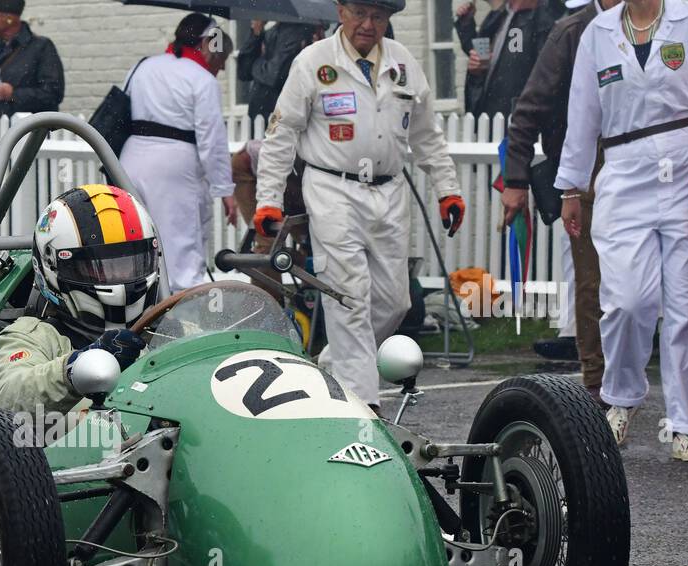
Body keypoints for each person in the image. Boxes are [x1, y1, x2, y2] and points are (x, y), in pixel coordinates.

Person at [253, 0, 464, 411]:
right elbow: (282, 135)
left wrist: (448, 189)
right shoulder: (312, 63)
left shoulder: (403, 64)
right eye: (360, 14)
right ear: (340, 11)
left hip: (389, 192)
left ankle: (330, 369)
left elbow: (427, 136)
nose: (368, 25)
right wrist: (268, 201)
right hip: (333, 190)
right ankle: (362, 407)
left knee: (394, 302)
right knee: (348, 297)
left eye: (379, 16)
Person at [556, 0, 688, 462]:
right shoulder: (599, 32)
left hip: (687, 165)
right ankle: (621, 398)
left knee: (687, 307)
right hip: (624, 172)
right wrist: (571, 186)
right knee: (628, 302)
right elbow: (582, 113)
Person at [501, 0, 615, 400]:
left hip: (646, 160)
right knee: (591, 280)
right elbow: (529, 109)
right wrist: (515, 179)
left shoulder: (664, 21)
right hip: (585, 162)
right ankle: (598, 385)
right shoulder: (571, 31)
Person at [0, 185, 160, 415]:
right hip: (63, 446)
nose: (118, 279)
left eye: (128, 264)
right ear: (52, 267)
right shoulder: (34, 335)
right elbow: (5, 397)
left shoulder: (170, 331)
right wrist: (74, 369)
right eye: (98, 269)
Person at [118, 14, 236, 293]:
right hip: (174, 167)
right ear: (209, 44)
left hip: (130, 160)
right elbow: (212, 141)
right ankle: (184, 316)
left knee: (136, 242)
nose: (220, 69)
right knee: (181, 251)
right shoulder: (202, 80)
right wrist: (224, 189)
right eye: (221, 60)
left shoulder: (142, 66)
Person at [455, 0, 556, 118]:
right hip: (492, 118)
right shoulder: (501, 16)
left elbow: (517, 66)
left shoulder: (541, 19)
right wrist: (466, 24)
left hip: (513, 120)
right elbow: (484, 56)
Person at [238, 18, 322, 121]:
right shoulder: (273, 31)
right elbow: (244, 72)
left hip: (278, 110)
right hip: (262, 111)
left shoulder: (295, 32)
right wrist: (256, 33)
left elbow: (274, 74)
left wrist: (257, 63)